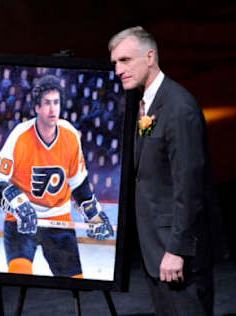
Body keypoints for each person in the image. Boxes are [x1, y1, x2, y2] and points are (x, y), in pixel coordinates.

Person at [109, 26, 223, 315]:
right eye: (115, 63)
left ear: (150, 57)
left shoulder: (178, 107)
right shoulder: (143, 103)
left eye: (125, 60)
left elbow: (190, 186)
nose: (118, 70)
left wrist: (177, 250)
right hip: (154, 250)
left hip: (177, 254)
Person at [0, 75, 114, 277]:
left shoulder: (70, 134)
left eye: (56, 103)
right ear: (36, 108)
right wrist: (18, 203)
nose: (53, 109)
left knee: (76, 282)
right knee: (19, 274)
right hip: (21, 222)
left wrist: (94, 217)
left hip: (58, 222)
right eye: (47, 103)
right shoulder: (20, 135)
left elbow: (79, 186)